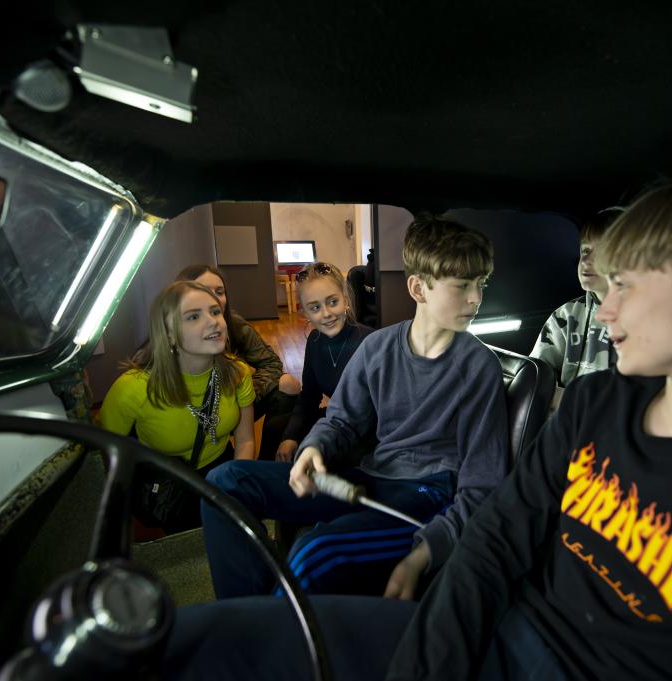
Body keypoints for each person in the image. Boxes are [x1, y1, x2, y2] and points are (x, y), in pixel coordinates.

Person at [166, 170, 672, 681]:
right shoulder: (598, 406)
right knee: (205, 647)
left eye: (624, 284)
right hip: (493, 637)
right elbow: (497, 539)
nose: (603, 307)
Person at [199, 215, 510, 599]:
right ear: (418, 287)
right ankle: (245, 616)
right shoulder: (378, 348)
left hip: (425, 495)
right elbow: (341, 420)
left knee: (314, 554)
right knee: (225, 483)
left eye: (481, 284)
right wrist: (314, 447)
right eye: (463, 285)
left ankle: (267, 625)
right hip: (372, 476)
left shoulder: (479, 368)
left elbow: (482, 484)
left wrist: (428, 550)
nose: (476, 298)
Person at [100, 280, 256, 533]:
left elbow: (246, 439)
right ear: (169, 334)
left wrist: (235, 487)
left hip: (223, 469)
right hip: (171, 484)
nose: (213, 321)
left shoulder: (238, 372)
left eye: (215, 312)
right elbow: (105, 458)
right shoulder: (132, 389)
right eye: (193, 316)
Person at [176, 264, 300, 460]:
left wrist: (243, 395)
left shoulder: (235, 325)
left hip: (231, 404)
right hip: (190, 413)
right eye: (204, 291)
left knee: (288, 384)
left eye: (220, 292)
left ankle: (267, 463)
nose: (215, 298)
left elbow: (271, 363)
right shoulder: (170, 336)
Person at [274, 261, 374, 463]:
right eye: (315, 307)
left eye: (332, 302)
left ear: (345, 299)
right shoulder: (315, 341)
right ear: (305, 312)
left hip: (366, 432)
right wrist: (290, 436)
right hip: (336, 420)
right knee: (276, 429)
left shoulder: (370, 343)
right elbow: (309, 398)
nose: (326, 313)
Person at [530, 216, 612, 392]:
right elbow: (535, 377)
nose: (586, 260)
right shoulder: (566, 315)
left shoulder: (646, 321)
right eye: (585, 250)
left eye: (601, 251)